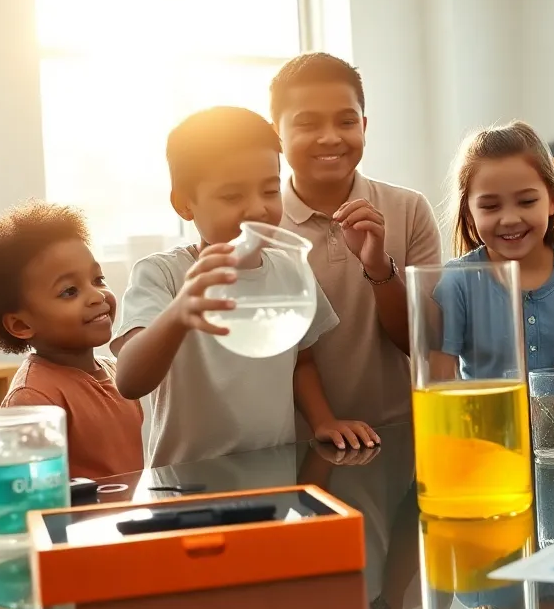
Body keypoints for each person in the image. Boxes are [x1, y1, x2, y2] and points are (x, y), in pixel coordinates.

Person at [111, 106, 377, 466]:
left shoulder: (289, 270)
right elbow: (129, 380)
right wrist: (179, 313)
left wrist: (323, 421)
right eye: (232, 196)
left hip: (274, 474)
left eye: (269, 190)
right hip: (186, 485)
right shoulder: (164, 274)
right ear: (184, 203)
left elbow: (303, 361)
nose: (257, 209)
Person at [270, 53, 441, 429]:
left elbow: (424, 342)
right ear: (276, 134)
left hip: (399, 434)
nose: (330, 137)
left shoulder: (408, 209)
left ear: (363, 125)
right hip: (292, 444)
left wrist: (378, 266)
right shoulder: (262, 225)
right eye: (307, 123)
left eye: (346, 121)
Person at [0, 200, 143, 479]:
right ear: (20, 324)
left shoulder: (118, 372)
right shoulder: (33, 398)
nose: (97, 296)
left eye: (98, 279)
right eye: (69, 291)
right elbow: (25, 490)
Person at [436, 121, 554, 379]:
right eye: (490, 206)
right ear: (469, 213)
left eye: (527, 201)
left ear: (553, 200)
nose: (509, 219)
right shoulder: (457, 281)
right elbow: (440, 379)